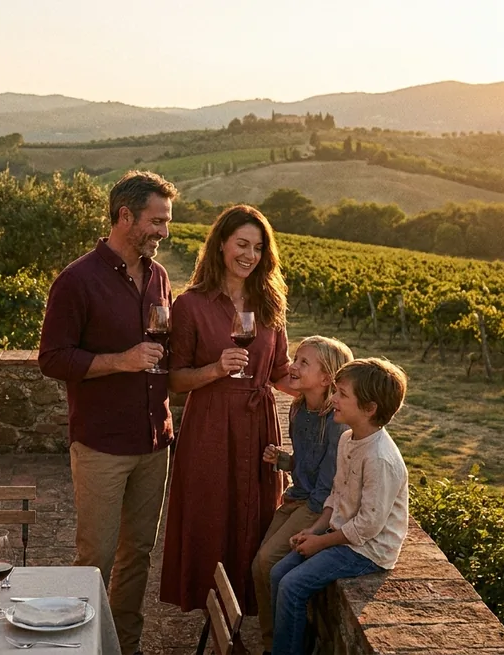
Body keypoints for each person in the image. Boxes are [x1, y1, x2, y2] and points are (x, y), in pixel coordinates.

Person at [38, 171, 178, 655]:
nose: (164, 232)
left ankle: (125, 646)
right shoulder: (77, 281)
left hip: (154, 440)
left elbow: (165, 348)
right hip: (101, 445)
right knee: (94, 557)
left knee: (138, 555)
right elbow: (52, 359)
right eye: (156, 221)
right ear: (125, 216)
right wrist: (121, 360)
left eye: (166, 222)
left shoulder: (158, 277)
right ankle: (83, 646)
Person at [160, 204, 292, 615]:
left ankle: (246, 608)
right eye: (241, 244)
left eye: (257, 247)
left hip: (258, 423)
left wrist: (331, 391)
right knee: (211, 513)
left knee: (256, 515)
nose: (249, 255)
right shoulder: (191, 304)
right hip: (211, 423)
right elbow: (175, 380)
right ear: (220, 245)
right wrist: (216, 369)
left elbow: (281, 371)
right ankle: (213, 609)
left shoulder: (270, 301)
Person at [269, 358, 410, 655]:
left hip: (368, 550)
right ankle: (290, 643)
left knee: (292, 586)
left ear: (370, 408)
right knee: (277, 573)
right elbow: (336, 494)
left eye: (342, 394)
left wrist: (321, 543)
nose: (333, 398)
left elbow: (367, 527)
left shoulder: (380, 458)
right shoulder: (348, 439)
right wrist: (314, 529)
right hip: (340, 535)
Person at [252, 336, 353, 653]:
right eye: (295, 359)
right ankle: (275, 637)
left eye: (303, 362)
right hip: (297, 497)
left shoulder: (334, 424)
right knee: (260, 564)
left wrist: (314, 524)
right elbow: (306, 462)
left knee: (267, 562)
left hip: (315, 505)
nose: (292, 367)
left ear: (326, 378)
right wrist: (283, 461)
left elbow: (328, 481)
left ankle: (277, 643)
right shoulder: (298, 409)